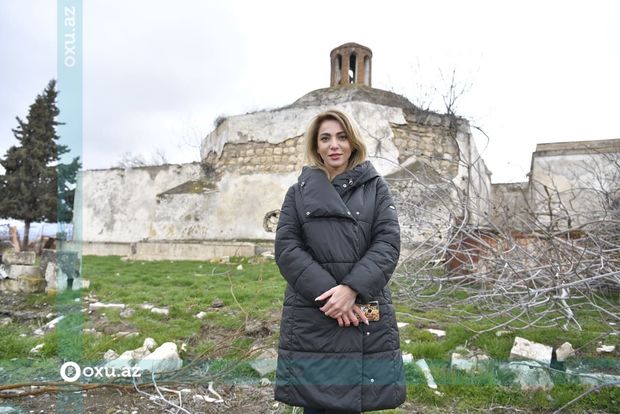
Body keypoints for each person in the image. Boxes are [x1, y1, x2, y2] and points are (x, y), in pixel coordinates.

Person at [274, 109, 406, 413]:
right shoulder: (298, 193)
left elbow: (387, 243)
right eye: (325, 138)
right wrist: (332, 297)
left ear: (353, 142)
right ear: (316, 146)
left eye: (341, 137)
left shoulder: (376, 188)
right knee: (315, 402)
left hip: (363, 305)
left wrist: (351, 290)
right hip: (314, 309)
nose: (334, 145)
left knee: (351, 402)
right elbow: (287, 248)